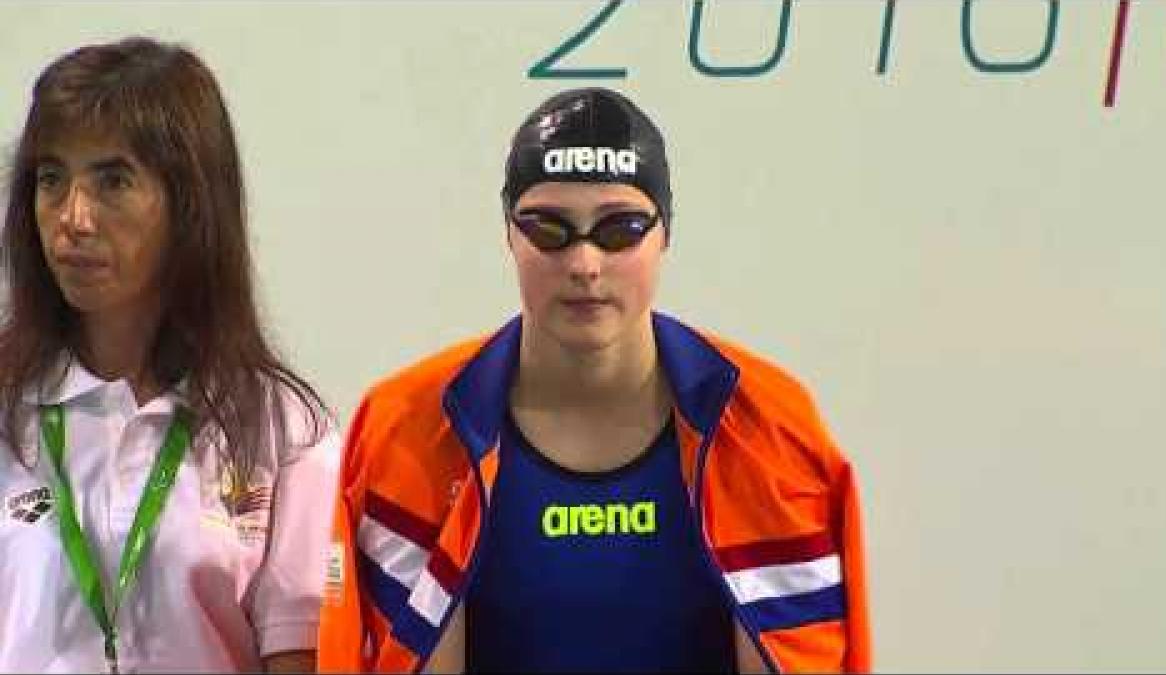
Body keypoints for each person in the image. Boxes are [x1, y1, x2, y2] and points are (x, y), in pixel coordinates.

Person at [316, 87, 871, 673]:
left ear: (665, 233)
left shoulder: (766, 427)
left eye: (619, 229)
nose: (584, 264)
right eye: (550, 230)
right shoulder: (408, 432)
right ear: (509, 233)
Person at [0, 37, 341, 673]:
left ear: (189, 204)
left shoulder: (281, 428)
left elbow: (301, 657)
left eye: (113, 180)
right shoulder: (9, 406)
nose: (73, 217)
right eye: (52, 179)